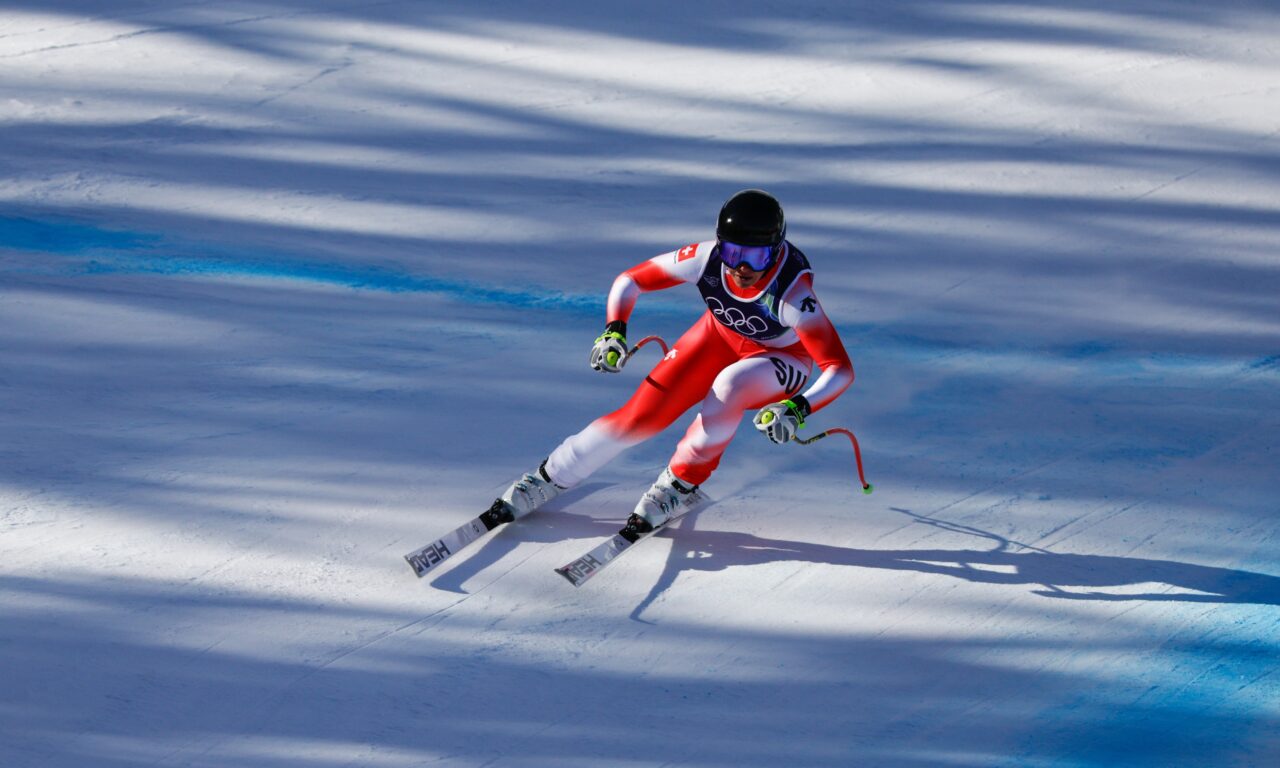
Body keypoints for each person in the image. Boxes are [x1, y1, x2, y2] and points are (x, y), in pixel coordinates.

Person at [480, 189, 854, 542]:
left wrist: (797, 408)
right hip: (717, 337)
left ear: (775, 252)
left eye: (755, 257)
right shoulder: (705, 258)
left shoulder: (792, 295)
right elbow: (630, 280)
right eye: (733, 252)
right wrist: (614, 331)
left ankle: (680, 481)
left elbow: (838, 368)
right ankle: (549, 476)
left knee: (730, 386)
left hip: (782, 360)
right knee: (638, 418)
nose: (741, 267)